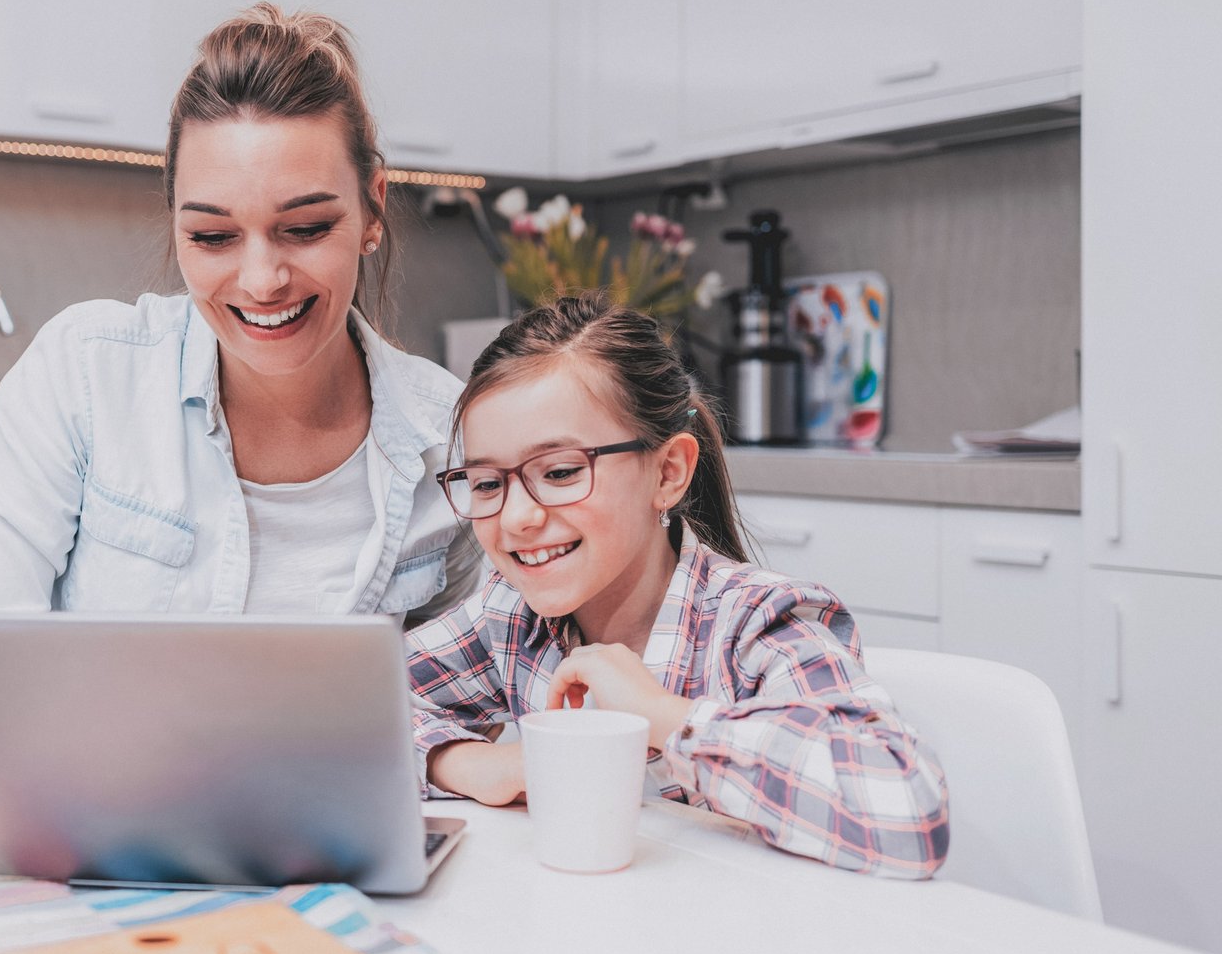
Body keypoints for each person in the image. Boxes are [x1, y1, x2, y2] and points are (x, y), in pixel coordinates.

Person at [0, 4, 478, 767]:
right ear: (174, 223)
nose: (262, 280)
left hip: (325, 835)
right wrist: (53, 754)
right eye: (213, 236)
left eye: (305, 228)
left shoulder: (451, 440)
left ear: (373, 208)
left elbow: (478, 702)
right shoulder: (89, 373)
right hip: (88, 819)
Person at [407, 293, 949, 878]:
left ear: (668, 473)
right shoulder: (510, 617)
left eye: (560, 472)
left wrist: (660, 713)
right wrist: (465, 763)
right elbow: (356, 708)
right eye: (487, 484)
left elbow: (906, 814)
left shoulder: (757, 624)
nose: (516, 518)